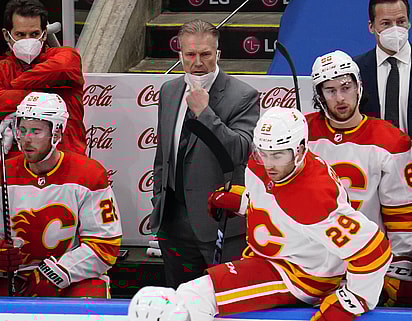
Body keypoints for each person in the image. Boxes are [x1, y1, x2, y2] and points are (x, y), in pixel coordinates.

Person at [129, 106, 392, 321]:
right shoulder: (262, 162)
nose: (268, 164)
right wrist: (243, 202)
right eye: (263, 153)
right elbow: (278, 209)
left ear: (300, 149)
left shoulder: (314, 195)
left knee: (193, 299)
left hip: (301, 276)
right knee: (191, 293)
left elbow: (374, 251)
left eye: (277, 155)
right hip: (271, 257)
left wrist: (353, 300)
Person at [151, 19, 259, 289]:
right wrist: (159, 202)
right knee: (179, 305)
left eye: (205, 54)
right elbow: (163, 154)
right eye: (190, 54)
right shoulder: (169, 91)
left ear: (218, 54)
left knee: (223, 303)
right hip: (173, 225)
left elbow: (240, 151)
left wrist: (204, 113)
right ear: (180, 54)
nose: (197, 61)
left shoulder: (243, 95)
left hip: (220, 226)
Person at [0, 92, 122, 297]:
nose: (26, 139)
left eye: (36, 131)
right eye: (22, 130)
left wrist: (56, 274)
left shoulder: (89, 174)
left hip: (69, 276)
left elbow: (104, 245)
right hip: (12, 276)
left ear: (57, 134)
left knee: (91, 297)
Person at [308, 50, 412, 306]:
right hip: (310, 267)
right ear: (319, 96)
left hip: (367, 265)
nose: (340, 98)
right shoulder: (302, 133)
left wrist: (398, 268)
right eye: (330, 91)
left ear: (359, 86)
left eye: (346, 87)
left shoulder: (391, 141)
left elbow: (401, 216)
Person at [0, 0, 87, 164]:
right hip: (14, 171)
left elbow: (62, 68)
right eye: (20, 35)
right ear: (6, 35)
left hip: (68, 166)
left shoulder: (67, 56)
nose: (28, 40)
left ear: (44, 34)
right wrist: (47, 92)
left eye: (34, 34)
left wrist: (14, 86)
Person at [354, 0, 412, 137]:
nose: (395, 29)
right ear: (371, 27)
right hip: (371, 155)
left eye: (401, 22)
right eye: (386, 23)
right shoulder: (356, 69)